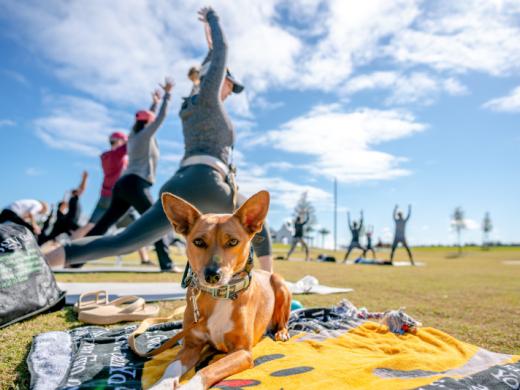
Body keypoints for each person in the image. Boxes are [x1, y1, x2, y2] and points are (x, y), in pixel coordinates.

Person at [45, 7, 273, 273]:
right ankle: (270, 282)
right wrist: (213, 18)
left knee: (124, 241)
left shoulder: (192, 105)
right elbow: (222, 48)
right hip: (207, 180)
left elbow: (213, 58)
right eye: (230, 85)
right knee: (255, 222)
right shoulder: (209, 99)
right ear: (218, 79)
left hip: (179, 182)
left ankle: (34, 266)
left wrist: (208, 46)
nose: (231, 91)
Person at [70, 82, 176, 271]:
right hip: (135, 184)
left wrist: (154, 103)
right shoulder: (144, 135)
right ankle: (166, 264)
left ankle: (75, 260)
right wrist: (167, 95)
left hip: (122, 186)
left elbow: (147, 118)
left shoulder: (134, 135)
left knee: (101, 226)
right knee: (156, 221)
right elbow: (160, 118)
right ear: (147, 123)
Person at [71, 129, 152, 265]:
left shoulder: (105, 156)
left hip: (104, 196)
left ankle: (69, 251)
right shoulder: (119, 153)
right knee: (137, 228)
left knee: (90, 226)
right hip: (119, 198)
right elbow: (134, 142)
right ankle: (145, 259)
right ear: (119, 141)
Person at [38, 171, 88, 244]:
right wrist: (84, 179)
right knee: (84, 232)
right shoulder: (72, 200)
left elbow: (80, 190)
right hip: (68, 222)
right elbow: (81, 189)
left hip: (66, 224)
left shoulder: (71, 202)